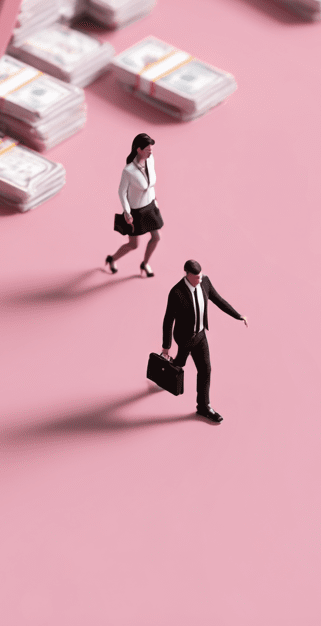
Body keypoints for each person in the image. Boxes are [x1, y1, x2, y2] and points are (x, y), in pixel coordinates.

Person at [160, 259, 248, 424]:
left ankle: (203, 406)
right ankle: (165, 372)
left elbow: (218, 300)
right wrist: (166, 347)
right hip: (184, 337)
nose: (199, 280)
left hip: (200, 336)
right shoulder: (176, 292)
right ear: (187, 275)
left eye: (200, 276)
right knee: (179, 363)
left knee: (205, 369)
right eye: (196, 278)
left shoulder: (205, 282)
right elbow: (168, 320)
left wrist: (238, 315)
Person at [105, 133, 163, 278]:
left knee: (156, 237)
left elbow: (151, 184)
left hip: (150, 207)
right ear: (138, 149)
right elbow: (121, 192)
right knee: (134, 245)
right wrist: (127, 212)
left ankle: (145, 264)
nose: (151, 151)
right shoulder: (128, 171)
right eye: (148, 149)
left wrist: (154, 198)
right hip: (136, 212)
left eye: (151, 149)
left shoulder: (151, 161)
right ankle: (112, 259)